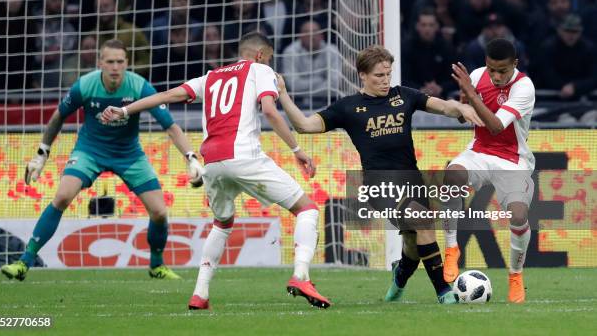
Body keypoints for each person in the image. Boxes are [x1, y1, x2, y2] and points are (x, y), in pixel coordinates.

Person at [101, 32, 331, 310]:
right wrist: (297, 151)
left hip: (212, 162)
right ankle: (301, 275)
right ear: (260, 55)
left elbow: (167, 95)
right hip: (244, 156)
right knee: (307, 209)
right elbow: (270, 111)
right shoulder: (261, 69)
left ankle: (200, 293)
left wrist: (124, 111)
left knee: (222, 223)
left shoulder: (210, 77)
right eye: (269, 59)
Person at [276, 45, 484, 304]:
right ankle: (444, 292)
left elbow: (442, 107)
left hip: (412, 180)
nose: (385, 81)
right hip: (379, 184)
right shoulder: (348, 108)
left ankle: (399, 277)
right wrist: (283, 94)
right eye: (378, 76)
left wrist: (461, 108)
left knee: (413, 244)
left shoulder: (403, 96)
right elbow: (304, 126)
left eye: (388, 74)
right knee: (423, 222)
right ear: (362, 75)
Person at [1, 39, 196, 282]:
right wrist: (42, 153)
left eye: (120, 62)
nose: (115, 67)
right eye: (110, 61)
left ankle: (156, 265)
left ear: (127, 63)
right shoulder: (85, 85)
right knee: (62, 196)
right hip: (90, 151)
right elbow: (58, 117)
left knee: (159, 212)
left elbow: (171, 126)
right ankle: (24, 262)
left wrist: (191, 158)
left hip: (129, 154)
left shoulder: (139, 86)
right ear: (100, 63)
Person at [443, 38, 536, 303]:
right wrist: (463, 103)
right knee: (452, 174)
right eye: (492, 69)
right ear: (486, 63)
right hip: (480, 152)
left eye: (503, 71)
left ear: (514, 64)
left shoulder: (524, 86)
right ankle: (451, 247)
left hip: (512, 159)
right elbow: (465, 117)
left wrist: (471, 94)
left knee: (518, 215)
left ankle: (515, 275)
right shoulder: (476, 76)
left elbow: (496, 126)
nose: (496, 76)